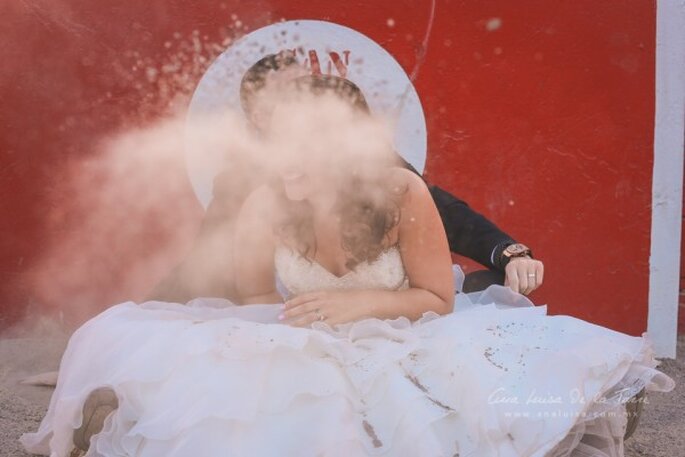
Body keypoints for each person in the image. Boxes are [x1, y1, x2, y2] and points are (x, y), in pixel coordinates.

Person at [21, 77, 674, 457]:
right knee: (244, 389)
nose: (285, 163)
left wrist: (503, 253)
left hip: (410, 325)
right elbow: (245, 294)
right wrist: (280, 334)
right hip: (307, 331)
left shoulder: (398, 191)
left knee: (462, 410)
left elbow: (436, 296)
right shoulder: (263, 196)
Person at [148, 52, 543, 305]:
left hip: (393, 323)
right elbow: (205, 264)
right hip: (293, 327)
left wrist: (508, 252)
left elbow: (444, 213)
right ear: (260, 117)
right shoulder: (240, 185)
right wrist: (154, 315)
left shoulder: (367, 166)